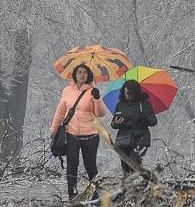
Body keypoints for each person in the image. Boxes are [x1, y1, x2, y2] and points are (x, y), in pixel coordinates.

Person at [51, 64, 109, 200]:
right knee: (72, 163)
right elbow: (60, 112)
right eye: (79, 72)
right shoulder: (67, 91)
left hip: (91, 134)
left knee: (90, 165)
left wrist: (97, 98)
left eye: (84, 72)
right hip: (71, 134)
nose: (82, 75)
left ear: (88, 75)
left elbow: (100, 113)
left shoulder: (92, 91)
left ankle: (96, 193)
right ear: (75, 75)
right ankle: (73, 193)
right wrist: (54, 129)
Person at [110, 79, 157, 176]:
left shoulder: (143, 103)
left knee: (134, 163)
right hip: (123, 139)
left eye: (129, 93)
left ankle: (136, 186)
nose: (127, 96)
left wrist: (142, 116)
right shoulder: (120, 104)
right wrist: (117, 123)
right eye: (126, 93)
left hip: (141, 138)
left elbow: (153, 121)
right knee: (125, 166)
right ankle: (128, 187)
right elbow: (113, 125)